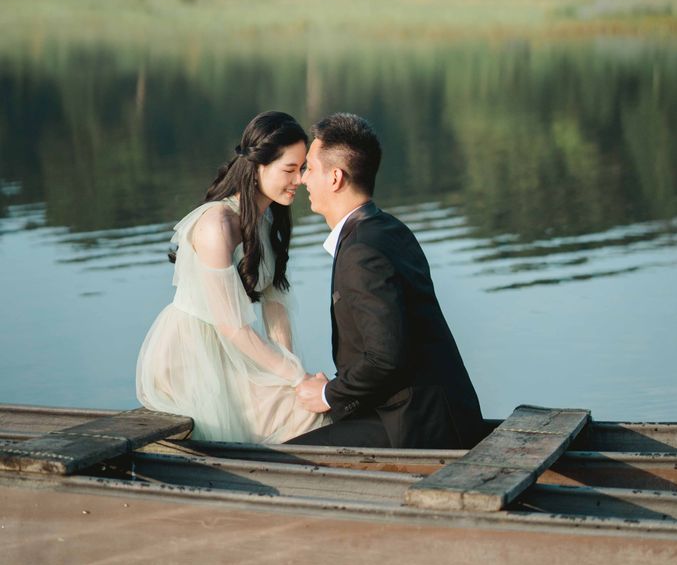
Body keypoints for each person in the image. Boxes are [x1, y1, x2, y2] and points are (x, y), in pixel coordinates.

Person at [291, 112, 485, 449]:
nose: (304, 178)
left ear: (335, 178)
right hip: (435, 410)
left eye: (309, 168)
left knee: (287, 462)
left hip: (414, 425)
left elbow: (386, 357)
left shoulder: (361, 252)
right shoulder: (388, 228)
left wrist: (327, 394)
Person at [136, 111, 330, 443]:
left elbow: (275, 304)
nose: (299, 180)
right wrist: (296, 378)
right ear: (258, 167)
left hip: (233, 353)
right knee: (303, 415)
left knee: (306, 407)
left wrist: (291, 372)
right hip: (193, 359)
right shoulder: (217, 226)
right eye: (289, 170)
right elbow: (233, 327)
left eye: (302, 169)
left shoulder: (266, 217)